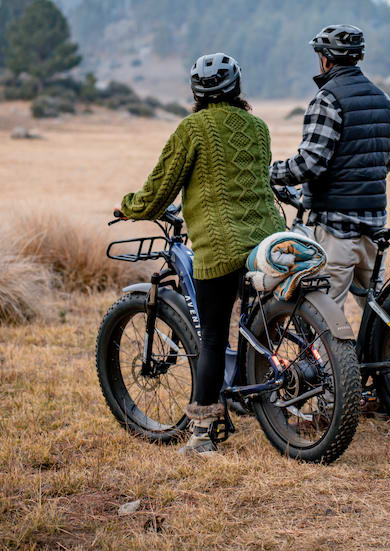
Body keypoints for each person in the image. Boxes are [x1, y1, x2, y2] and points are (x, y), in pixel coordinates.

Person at [116, 53, 284, 456]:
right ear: (237, 89)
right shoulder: (258, 127)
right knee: (264, 328)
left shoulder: (192, 129)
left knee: (211, 336)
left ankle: (203, 435)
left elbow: (160, 190)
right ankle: (270, 399)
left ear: (196, 93)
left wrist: (129, 207)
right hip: (266, 242)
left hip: (219, 247)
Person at [270, 24, 390, 311]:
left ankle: (334, 359)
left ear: (326, 58)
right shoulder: (384, 100)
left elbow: (309, 163)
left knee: (327, 318)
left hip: (335, 227)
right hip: (375, 225)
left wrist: (271, 173)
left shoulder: (327, 99)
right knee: (378, 315)